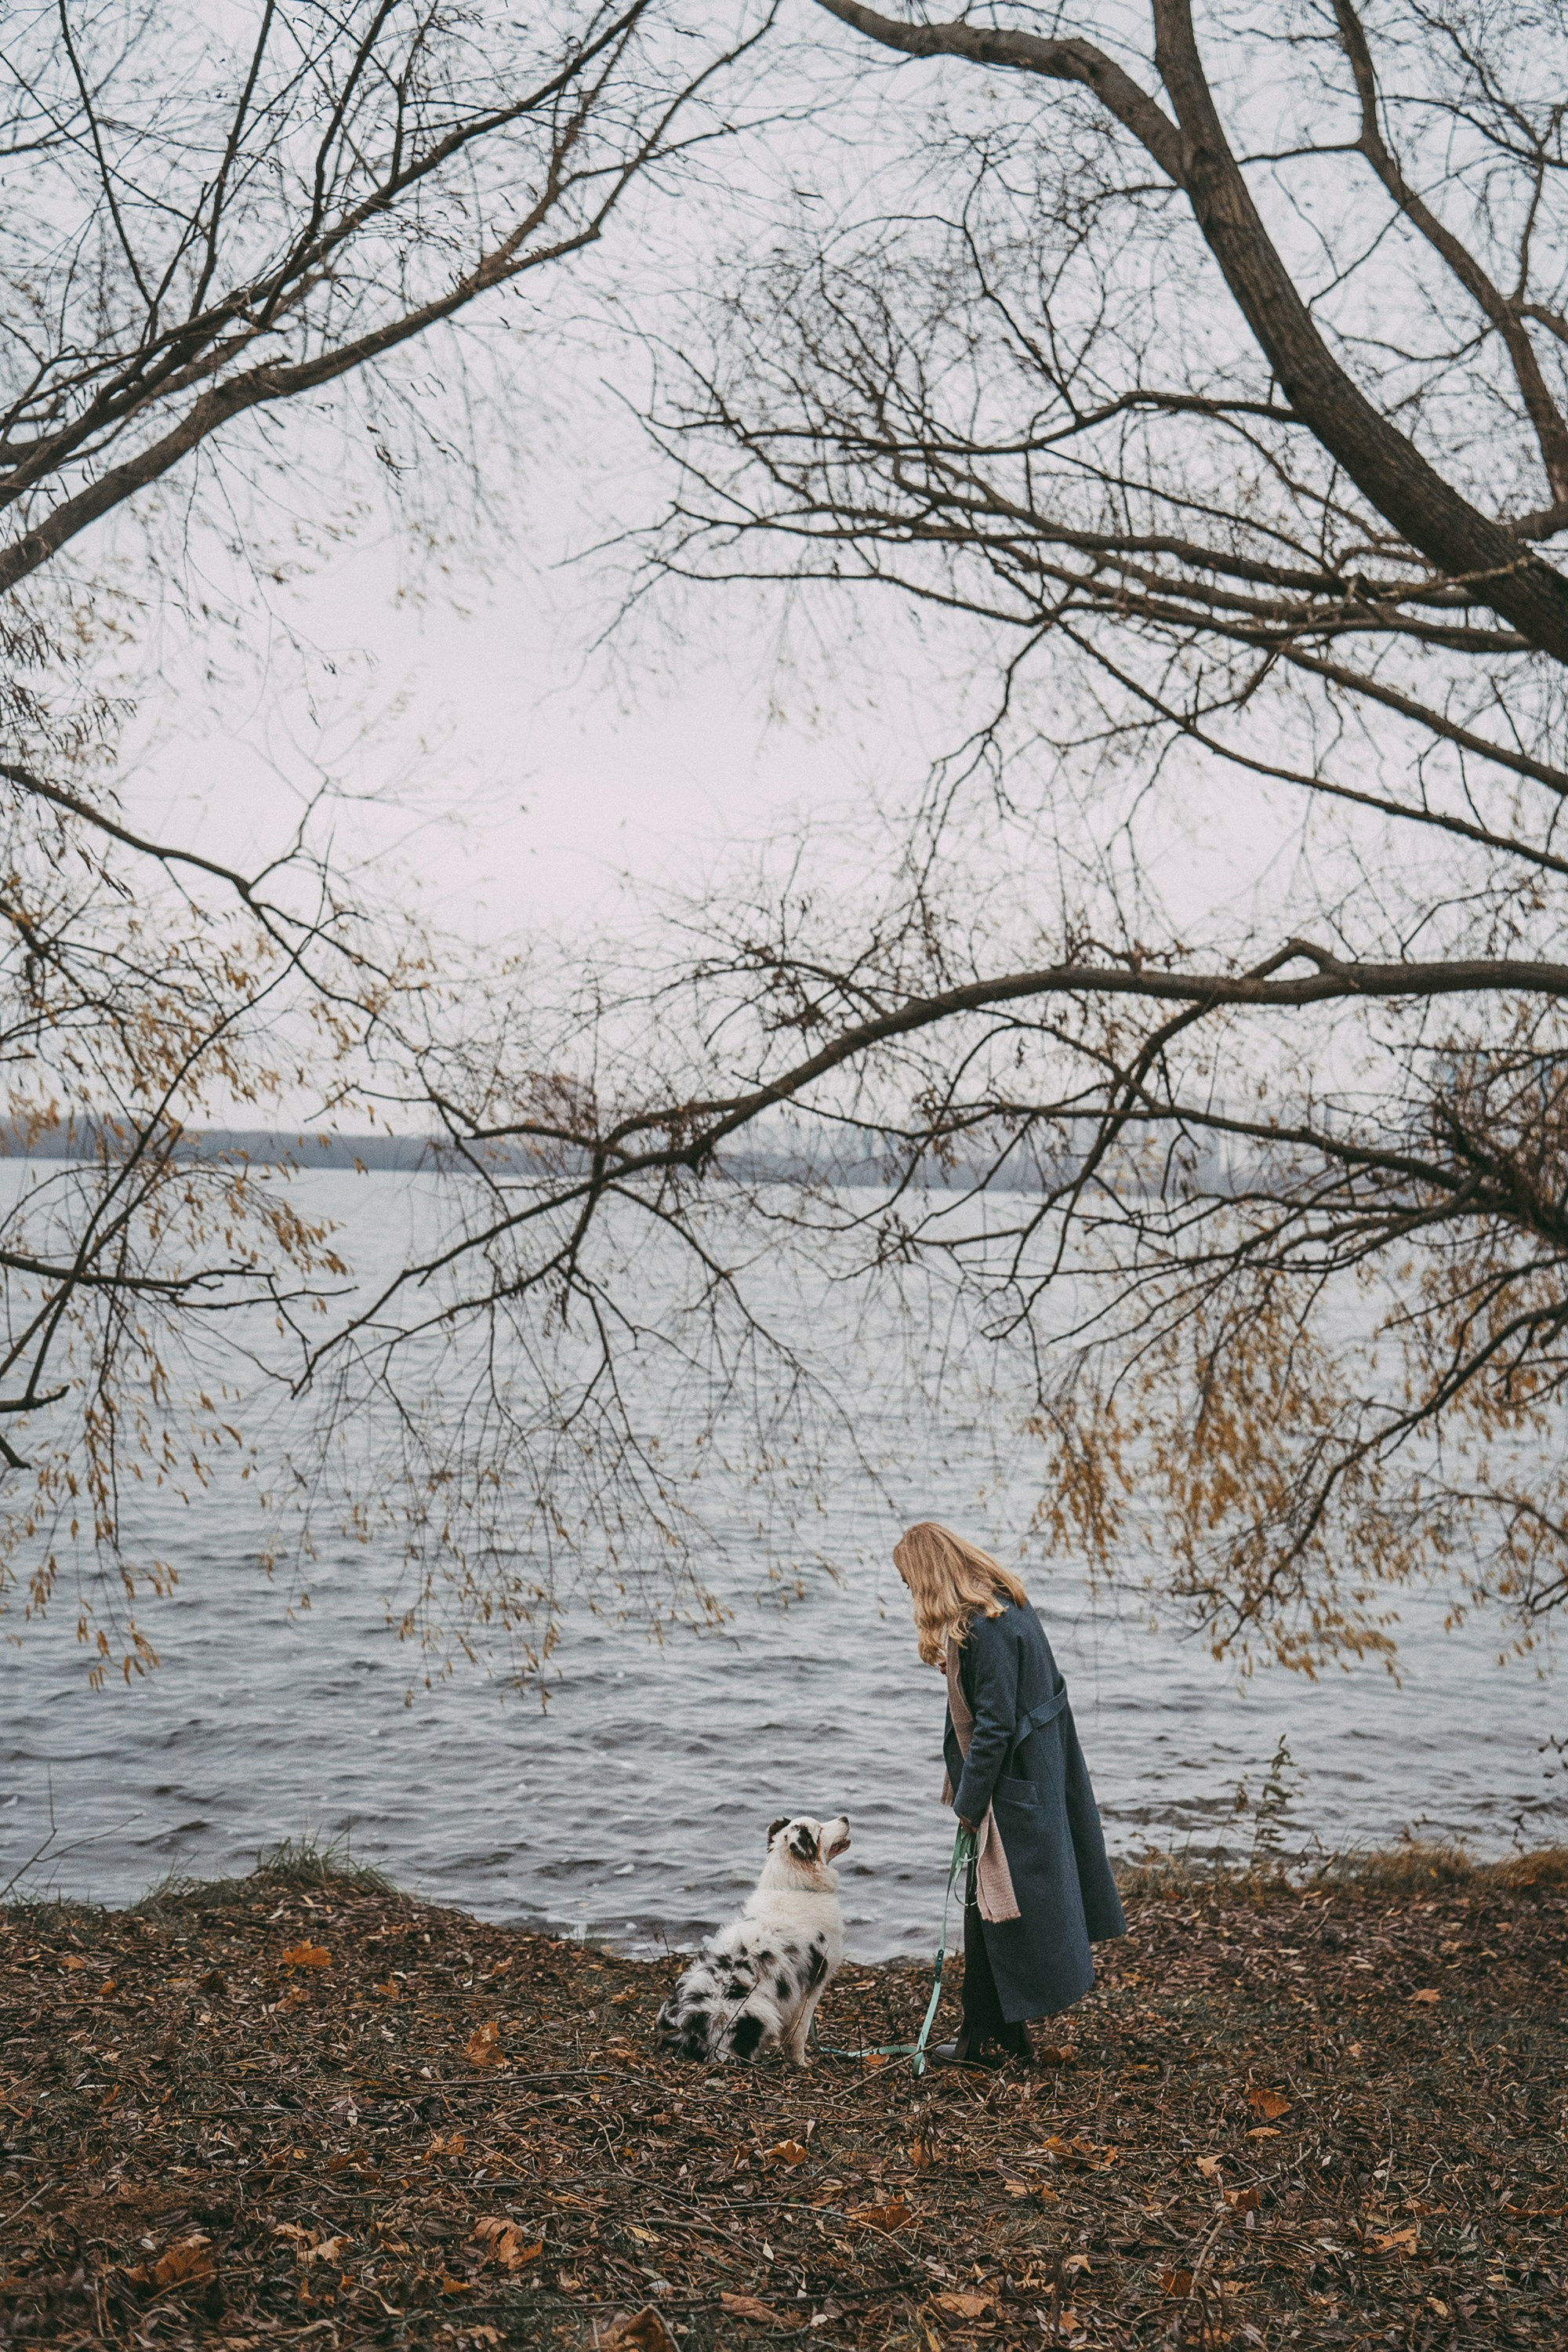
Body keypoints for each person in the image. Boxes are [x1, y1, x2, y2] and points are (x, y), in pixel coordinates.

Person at [893, 1520, 1126, 2068]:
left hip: (1012, 1789)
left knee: (991, 1913)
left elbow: (994, 1727)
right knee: (994, 1913)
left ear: (930, 1576)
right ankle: (999, 2033)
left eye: (909, 1582)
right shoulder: (1002, 1608)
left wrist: (969, 1806)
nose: (908, 1593)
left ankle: (982, 2040)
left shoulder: (987, 1628)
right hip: (1031, 1779)